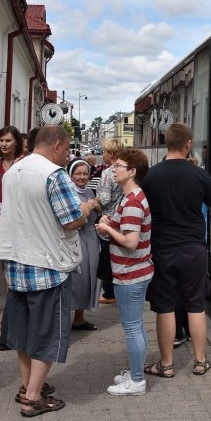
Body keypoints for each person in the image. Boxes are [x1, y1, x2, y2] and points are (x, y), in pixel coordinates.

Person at [0, 125, 92, 417]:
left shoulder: (13, 171)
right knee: (47, 333)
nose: (68, 155)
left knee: (22, 333)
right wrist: (85, 210)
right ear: (57, 146)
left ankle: (27, 386)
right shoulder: (53, 175)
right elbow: (71, 220)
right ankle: (33, 398)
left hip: (16, 263)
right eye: (68, 148)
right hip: (48, 265)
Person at [140, 123, 211, 377]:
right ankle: (200, 361)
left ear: (167, 143)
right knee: (196, 306)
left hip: (162, 250)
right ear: (188, 144)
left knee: (165, 307)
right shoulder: (199, 175)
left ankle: (166, 365)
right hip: (193, 249)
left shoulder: (152, 176)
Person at [95, 149, 154, 395]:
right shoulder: (133, 197)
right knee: (136, 325)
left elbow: (130, 242)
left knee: (132, 327)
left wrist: (108, 231)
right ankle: (136, 372)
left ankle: (138, 380)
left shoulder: (131, 202)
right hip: (135, 271)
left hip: (130, 273)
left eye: (119, 165)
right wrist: (112, 224)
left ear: (132, 172)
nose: (114, 169)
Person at [67, 159, 102, 330]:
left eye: (85, 173)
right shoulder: (69, 193)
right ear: (71, 175)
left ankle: (79, 318)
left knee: (89, 278)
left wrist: (97, 209)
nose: (82, 177)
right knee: (76, 280)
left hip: (91, 238)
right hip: (76, 238)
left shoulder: (89, 191)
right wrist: (87, 208)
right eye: (78, 173)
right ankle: (63, 319)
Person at [96, 138, 127, 305]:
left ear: (112, 153)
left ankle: (109, 293)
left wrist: (94, 204)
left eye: (105, 151)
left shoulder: (108, 173)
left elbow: (105, 198)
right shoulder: (126, 170)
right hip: (123, 218)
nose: (103, 154)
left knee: (107, 256)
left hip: (108, 220)